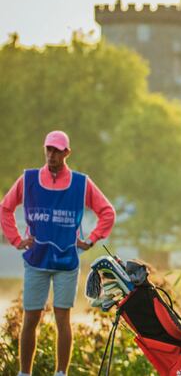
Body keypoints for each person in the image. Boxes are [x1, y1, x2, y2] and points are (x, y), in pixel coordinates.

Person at [1, 131, 116, 376]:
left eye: (57, 150)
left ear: (67, 153)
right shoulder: (28, 179)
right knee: (31, 319)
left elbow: (107, 212)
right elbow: (5, 209)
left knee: (63, 319)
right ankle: (24, 373)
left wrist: (91, 239)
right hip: (36, 260)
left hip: (66, 262)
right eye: (48, 149)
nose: (52, 155)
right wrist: (16, 240)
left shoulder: (81, 183)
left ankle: (61, 373)